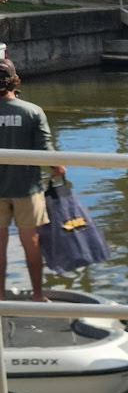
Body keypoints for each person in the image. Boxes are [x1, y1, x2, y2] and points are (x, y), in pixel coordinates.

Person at [0, 56, 58, 301]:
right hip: (27, 188)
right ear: (15, 81)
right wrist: (58, 167)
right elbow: (46, 153)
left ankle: (0, 296)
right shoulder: (33, 112)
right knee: (31, 243)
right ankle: (37, 295)